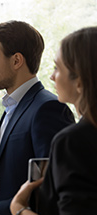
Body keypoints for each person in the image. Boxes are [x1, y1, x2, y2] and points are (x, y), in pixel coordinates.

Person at [0, 20, 75, 215]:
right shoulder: (11, 107)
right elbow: (5, 177)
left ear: (16, 61)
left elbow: (50, 188)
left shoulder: (49, 108)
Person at [10, 26, 97, 215]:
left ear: (80, 80)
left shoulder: (73, 141)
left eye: (57, 68)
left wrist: (19, 209)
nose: (51, 76)